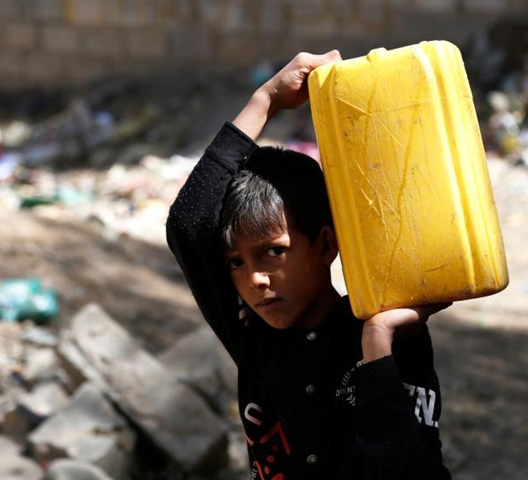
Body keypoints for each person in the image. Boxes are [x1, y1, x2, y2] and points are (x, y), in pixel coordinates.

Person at [166, 50, 452, 480]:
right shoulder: (251, 331)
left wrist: (376, 347)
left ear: (325, 246)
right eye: (236, 263)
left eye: (273, 252)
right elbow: (188, 225)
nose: (254, 279)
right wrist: (266, 100)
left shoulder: (386, 333)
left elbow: (410, 471)